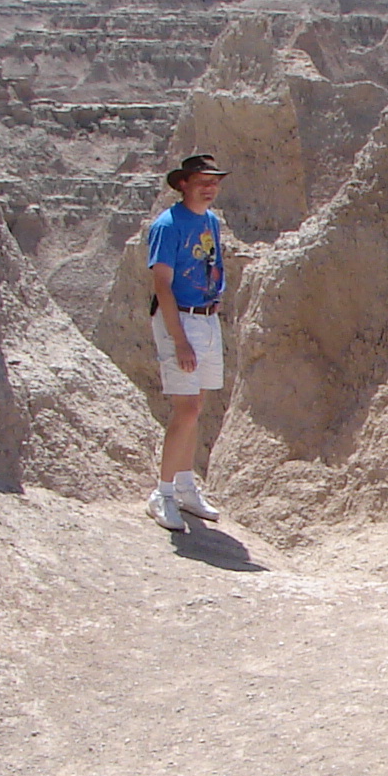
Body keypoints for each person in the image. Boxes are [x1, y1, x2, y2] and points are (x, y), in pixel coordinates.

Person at [145, 152, 230, 532]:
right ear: (183, 184)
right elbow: (161, 285)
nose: (210, 188)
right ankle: (162, 494)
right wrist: (179, 341)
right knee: (185, 410)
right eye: (202, 182)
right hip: (179, 319)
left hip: (206, 317)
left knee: (196, 406)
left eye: (214, 182)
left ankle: (184, 486)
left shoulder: (209, 221)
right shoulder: (168, 225)